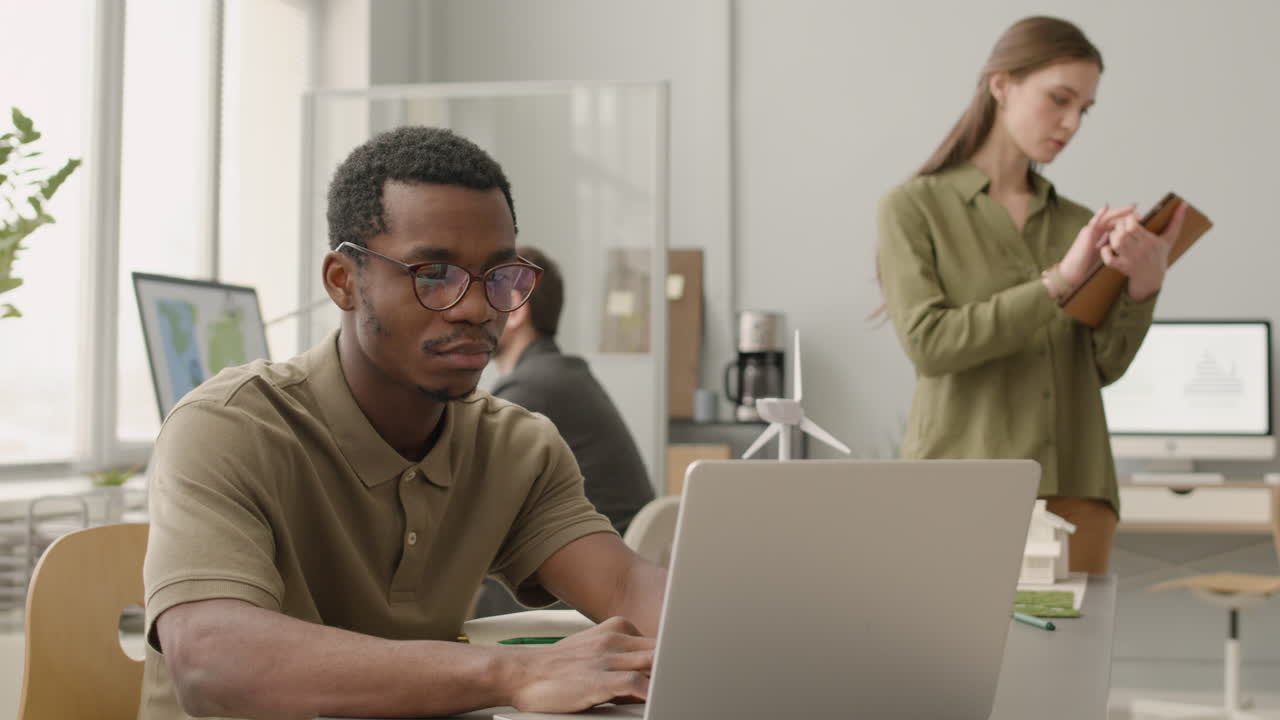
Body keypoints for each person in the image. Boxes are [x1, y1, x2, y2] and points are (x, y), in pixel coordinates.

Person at [141, 126, 667, 720]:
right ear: (344, 281)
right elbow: (212, 661)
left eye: (498, 276)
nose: (476, 308)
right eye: (433, 274)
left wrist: (756, 645)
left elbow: (625, 589)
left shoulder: (518, 446)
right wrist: (517, 673)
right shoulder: (228, 427)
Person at [876, 16, 1187, 575]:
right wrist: (1059, 281)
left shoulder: (1077, 222)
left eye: (1084, 110)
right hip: (960, 488)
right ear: (1002, 84)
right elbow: (930, 344)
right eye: (1059, 99)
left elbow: (1100, 366)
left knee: (1073, 662)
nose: (1070, 123)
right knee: (956, 664)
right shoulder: (914, 207)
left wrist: (1144, 289)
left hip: (1078, 490)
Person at [491, 245, 656, 537]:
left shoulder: (530, 389)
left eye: (483, 294)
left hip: (595, 569)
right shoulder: (560, 375)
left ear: (515, 308)